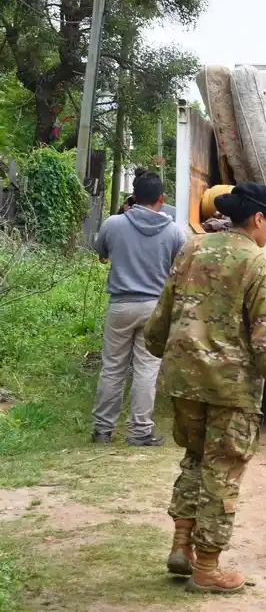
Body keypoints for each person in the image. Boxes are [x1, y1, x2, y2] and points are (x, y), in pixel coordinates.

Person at [144, 182, 266, 594]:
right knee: (223, 470)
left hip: (183, 377)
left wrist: (161, 349)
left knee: (195, 458)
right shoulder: (259, 264)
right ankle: (207, 567)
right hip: (231, 387)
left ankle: (181, 545)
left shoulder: (193, 247)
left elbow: (165, 309)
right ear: (258, 218)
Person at [92, 173, 187, 446]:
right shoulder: (174, 231)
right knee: (147, 368)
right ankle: (139, 432)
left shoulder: (113, 224)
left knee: (113, 368)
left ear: (133, 196)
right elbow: (179, 270)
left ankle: (102, 430)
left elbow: (102, 255)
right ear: (162, 199)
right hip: (154, 307)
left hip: (121, 305)